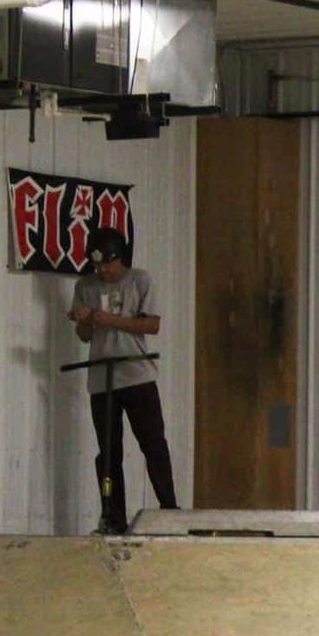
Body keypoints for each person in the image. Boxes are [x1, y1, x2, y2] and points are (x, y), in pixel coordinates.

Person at [68, 227, 178, 534]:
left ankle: (170, 510)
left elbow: (152, 325)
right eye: (98, 265)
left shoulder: (140, 280)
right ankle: (112, 517)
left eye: (108, 264)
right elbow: (85, 335)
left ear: (122, 258)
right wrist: (85, 321)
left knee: (153, 443)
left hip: (137, 375)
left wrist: (110, 319)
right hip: (102, 380)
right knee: (108, 452)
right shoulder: (85, 286)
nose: (103, 270)